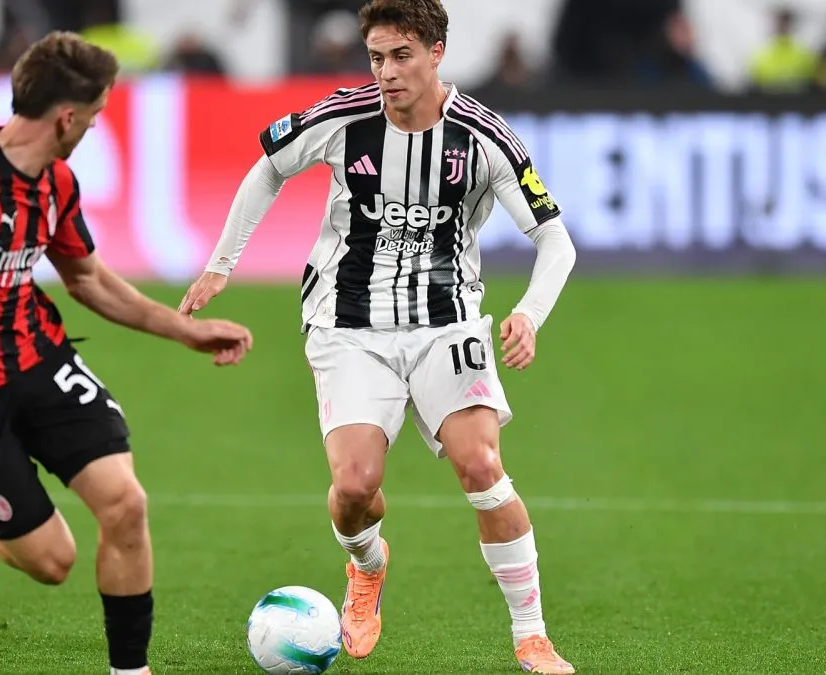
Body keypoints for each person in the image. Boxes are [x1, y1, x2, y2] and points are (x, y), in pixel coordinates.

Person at [177, 1, 576, 672]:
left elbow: (554, 240)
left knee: (482, 466)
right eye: (377, 58)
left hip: (447, 319)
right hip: (347, 322)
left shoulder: (483, 138)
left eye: (401, 56)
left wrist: (529, 314)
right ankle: (367, 565)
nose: (386, 73)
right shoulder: (343, 118)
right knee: (356, 485)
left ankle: (531, 634)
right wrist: (222, 262)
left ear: (437, 51)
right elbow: (269, 165)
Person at [0, 31, 254, 675]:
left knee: (126, 503)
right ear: (67, 116)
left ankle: (131, 670)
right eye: (93, 116)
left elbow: (87, 280)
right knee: (52, 562)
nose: (94, 126)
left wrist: (185, 330)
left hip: (39, 359)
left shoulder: (57, 183)